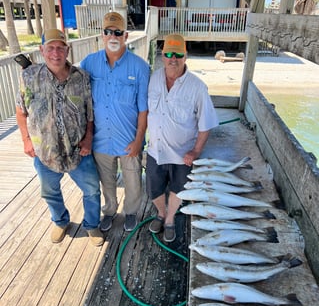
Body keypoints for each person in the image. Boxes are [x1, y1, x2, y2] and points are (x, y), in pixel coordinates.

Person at [16, 28, 104, 247]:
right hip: (45, 152)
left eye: (60, 48)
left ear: (68, 49)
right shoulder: (29, 76)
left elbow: (90, 112)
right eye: (50, 48)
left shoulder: (81, 77)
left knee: (92, 190)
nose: (56, 53)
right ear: (42, 50)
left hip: (78, 150)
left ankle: (92, 225)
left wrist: (89, 138)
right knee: (49, 192)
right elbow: (21, 111)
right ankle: (60, 221)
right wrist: (26, 140)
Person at [80, 12, 150, 232]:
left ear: (125, 36)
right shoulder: (88, 63)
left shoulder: (140, 67)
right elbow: (79, 98)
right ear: (102, 35)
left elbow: (143, 109)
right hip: (100, 140)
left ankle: (131, 212)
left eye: (118, 32)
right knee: (106, 181)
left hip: (129, 139)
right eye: (108, 31)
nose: (113, 36)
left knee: (133, 181)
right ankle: (109, 211)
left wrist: (139, 140)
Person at [146, 34, 219, 242]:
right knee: (154, 188)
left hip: (182, 155)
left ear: (186, 56)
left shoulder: (197, 87)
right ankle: (160, 213)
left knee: (179, 189)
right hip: (155, 150)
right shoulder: (153, 79)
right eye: (169, 53)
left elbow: (206, 124)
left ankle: (169, 219)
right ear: (162, 55)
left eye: (178, 54)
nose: (173, 58)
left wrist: (195, 151)